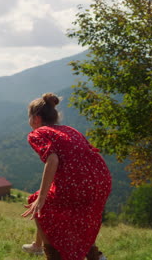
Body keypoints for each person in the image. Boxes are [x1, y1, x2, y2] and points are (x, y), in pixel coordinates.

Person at [21, 93, 112, 260]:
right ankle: (95, 256)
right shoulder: (69, 130)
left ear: (35, 119)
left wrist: (41, 198)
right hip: (101, 178)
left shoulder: (38, 133)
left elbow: (52, 159)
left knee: (39, 203)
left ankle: (53, 255)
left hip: (77, 182)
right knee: (82, 218)